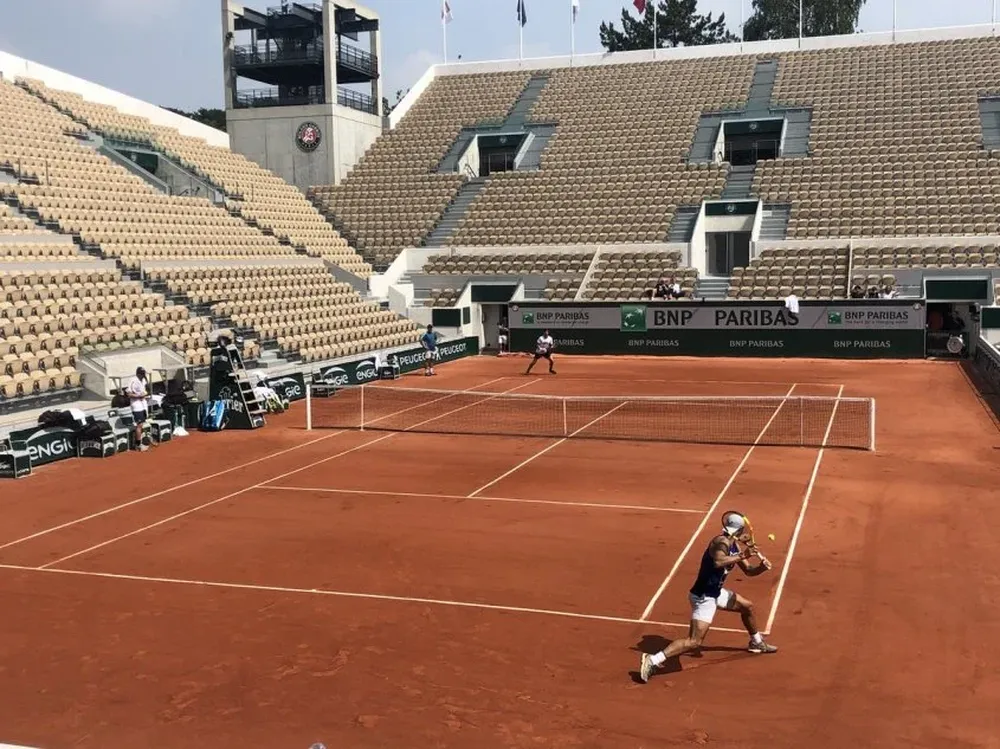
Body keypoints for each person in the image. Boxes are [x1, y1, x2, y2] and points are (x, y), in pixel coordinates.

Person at [639, 511, 777, 684]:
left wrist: (761, 568)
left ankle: (756, 642)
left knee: (746, 606)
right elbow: (718, 562)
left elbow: (748, 571)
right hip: (704, 597)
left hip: (715, 593)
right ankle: (652, 660)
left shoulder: (734, 546)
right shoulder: (720, 542)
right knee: (694, 642)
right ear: (739, 530)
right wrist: (743, 555)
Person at [126, 366, 150, 452]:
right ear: (137, 374)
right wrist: (138, 396)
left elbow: (145, 390)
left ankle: (141, 441)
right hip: (136, 405)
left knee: (142, 424)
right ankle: (137, 444)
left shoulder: (143, 380)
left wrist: (145, 394)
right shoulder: (132, 380)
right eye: (141, 374)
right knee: (139, 425)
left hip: (143, 404)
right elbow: (128, 394)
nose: (143, 376)